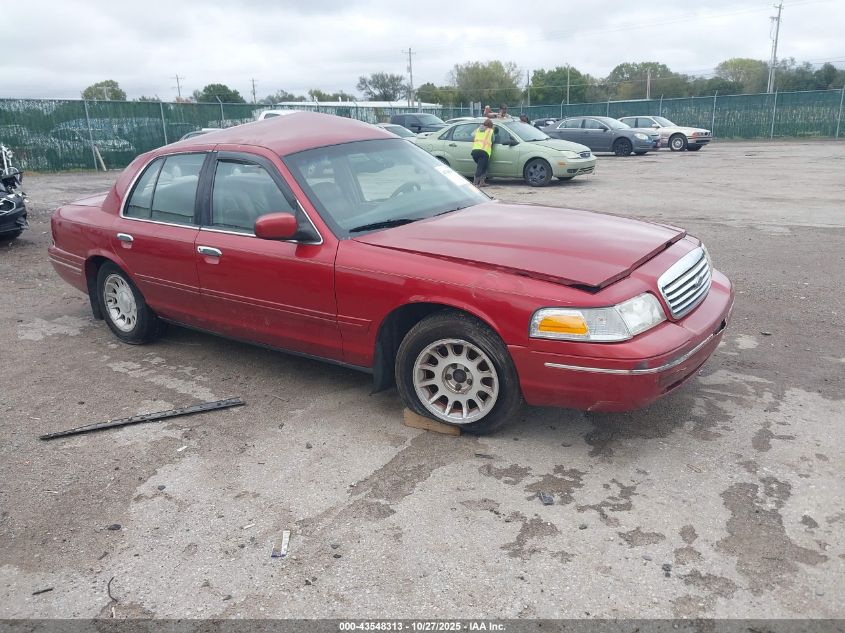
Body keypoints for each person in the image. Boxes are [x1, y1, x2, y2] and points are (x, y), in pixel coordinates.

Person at [471, 118, 494, 186]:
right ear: (490, 125)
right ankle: (475, 184)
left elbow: (472, 135)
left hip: (474, 151)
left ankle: (482, 182)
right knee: (480, 167)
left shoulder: (478, 129)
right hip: (483, 152)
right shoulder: (490, 131)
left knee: (484, 166)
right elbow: (493, 139)